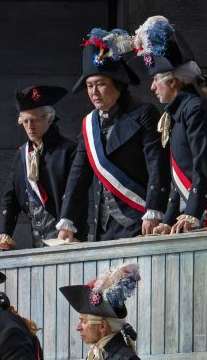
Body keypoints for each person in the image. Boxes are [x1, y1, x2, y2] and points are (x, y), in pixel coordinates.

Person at [133, 16, 207, 234]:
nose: (153, 88)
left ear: (172, 82)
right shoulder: (178, 113)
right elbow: (178, 177)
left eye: (155, 80)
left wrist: (192, 213)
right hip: (200, 210)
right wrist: (168, 219)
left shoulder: (195, 109)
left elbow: (203, 166)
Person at [57, 28, 168, 242]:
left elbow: (157, 165)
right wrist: (67, 221)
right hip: (104, 227)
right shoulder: (89, 123)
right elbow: (78, 175)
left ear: (117, 84)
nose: (94, 92)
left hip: (140, 219)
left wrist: (154, 209)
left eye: (100, 84)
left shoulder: (144, 113)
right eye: (89, 86)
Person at [0, 86, 76, 250]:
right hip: (37, 243)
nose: (30, 126)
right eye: (25, 121)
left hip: (68, 238)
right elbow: (9, 199)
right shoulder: (21, 155)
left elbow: (75, 195)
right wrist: (4, 235)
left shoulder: (69, 150)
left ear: (49, 118)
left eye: (35, 120)